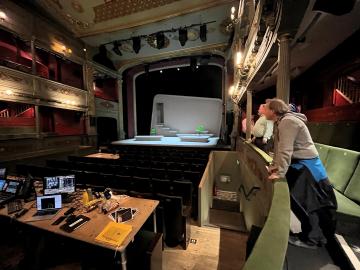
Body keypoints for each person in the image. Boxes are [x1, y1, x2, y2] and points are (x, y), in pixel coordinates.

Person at [263, 98, 337, 249]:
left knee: (311, 205)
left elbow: (286, 150)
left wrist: (280, 172)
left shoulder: (288, 122)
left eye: (265, 107)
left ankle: (312, 239)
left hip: (308, 168)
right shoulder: (283, 121)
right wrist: (275, 166)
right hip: (301, 166)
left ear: (273, 110)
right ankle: (309, 235)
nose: (262, 110)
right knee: (302, 204)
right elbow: (280, 149)